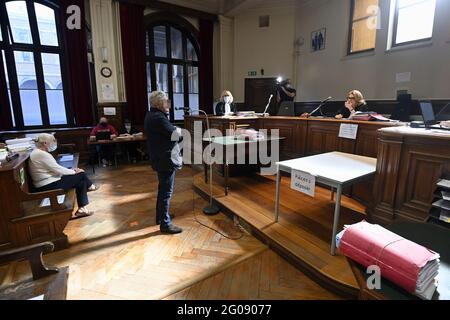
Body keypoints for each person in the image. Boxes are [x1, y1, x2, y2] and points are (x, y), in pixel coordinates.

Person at [29, 133, 98, 219]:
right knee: (81, 175)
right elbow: (58, 169)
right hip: (47, 185)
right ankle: (90, 187)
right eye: (52, 141)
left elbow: (55, 169)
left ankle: (82, 208)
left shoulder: (38, 152)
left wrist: (73, 171)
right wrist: (74, 171)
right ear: (45, 143)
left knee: (81, 180)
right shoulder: (41, 154)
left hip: (50, 181)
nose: (54, 144)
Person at [144, 91, 183, 234]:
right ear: (160, 103)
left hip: (160, 158)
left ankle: (160, 217)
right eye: (167, 101)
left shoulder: (151, 115)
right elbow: (177, 136)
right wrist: (177, 131)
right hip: (165, 159)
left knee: (163, 190)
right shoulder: (159, 118)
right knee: (166, 192)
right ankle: (165, 224)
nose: (169, 105)